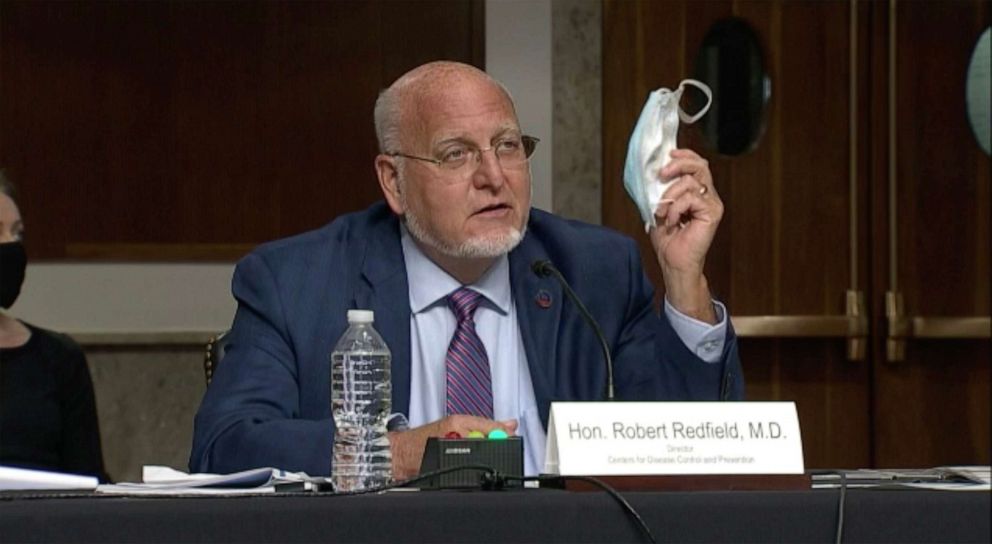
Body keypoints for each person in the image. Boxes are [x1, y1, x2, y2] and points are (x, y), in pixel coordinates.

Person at [191, 61, 743, 479]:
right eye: (457, 154)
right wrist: (403, 454)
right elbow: (225, 447)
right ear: (393, 182)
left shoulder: (591, 271)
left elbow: (687, 452)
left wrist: (684, 279)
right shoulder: (296, 283)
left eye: (507, 146)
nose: (494, 176)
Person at [0, 170, 108, 481]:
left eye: (17, 233)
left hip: (44, 525)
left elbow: (89, 480)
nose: (10, 246)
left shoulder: (58, 358)